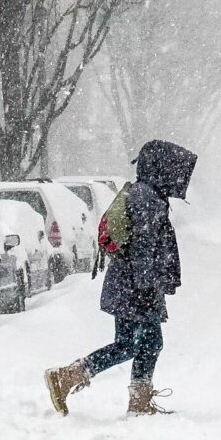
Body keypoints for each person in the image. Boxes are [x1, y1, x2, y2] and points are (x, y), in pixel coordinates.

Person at [44, 139, 196, 416]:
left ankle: (76, 379)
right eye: (175, 170)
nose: (179, 178)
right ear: (162, 168)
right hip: (136, 286)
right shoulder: (148, 199)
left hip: (128, 283)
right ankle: (76, 378)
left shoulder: (145, 194)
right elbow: (143, 248)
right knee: (142, 344)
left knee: (136, 344)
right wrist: (147, 286)